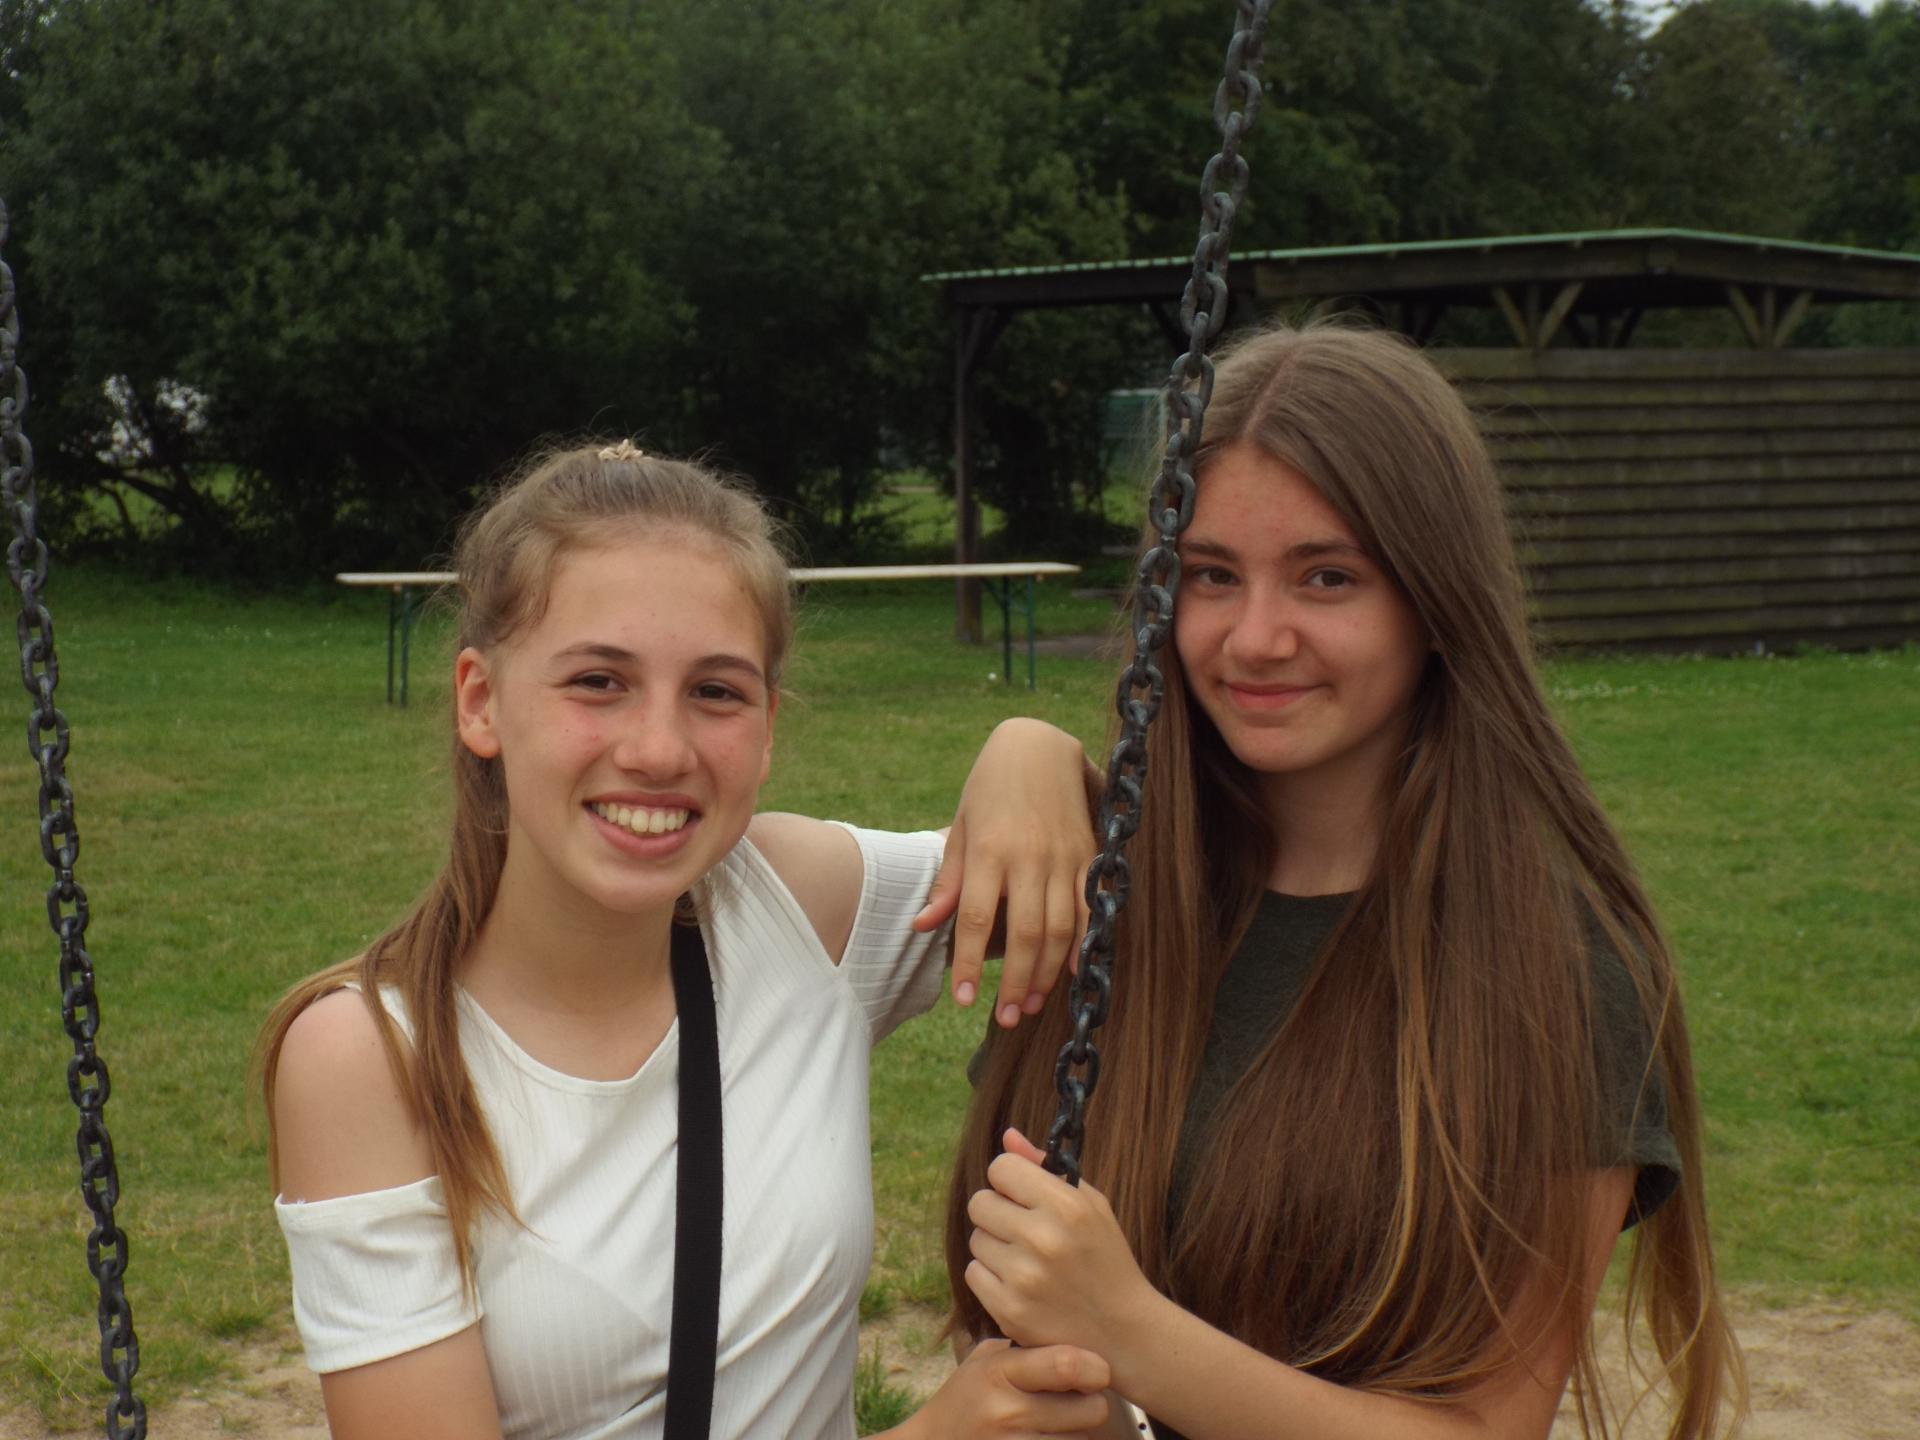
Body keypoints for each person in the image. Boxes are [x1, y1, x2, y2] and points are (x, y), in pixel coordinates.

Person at [948, 323, 1747, 1440]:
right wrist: (1025, 744)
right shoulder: (1104, 884)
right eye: (1212, 575)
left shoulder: (1558, 974)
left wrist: (1133, 1333)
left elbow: (1483, 1431)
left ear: (1437, 600)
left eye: (1327, 577)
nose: (1255, 638)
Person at [258, 441, 1110, 1440]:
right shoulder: (372, 1057)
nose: (660, 750)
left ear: (769, 726)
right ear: (480, 701)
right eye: (597, 681)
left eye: (715, 692)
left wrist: (1033, 751)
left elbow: (1128, 864)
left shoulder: (798, 911)